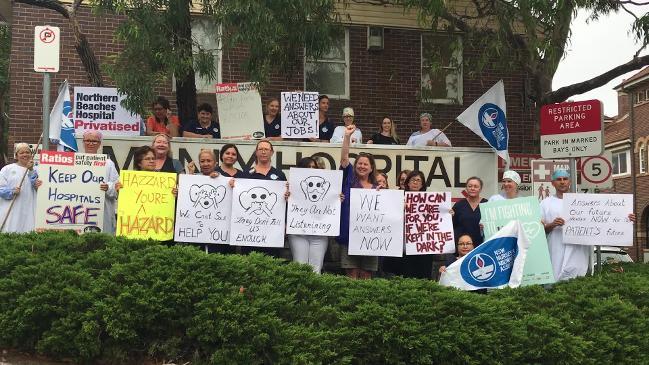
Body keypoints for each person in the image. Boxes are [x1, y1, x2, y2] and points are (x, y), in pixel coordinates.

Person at [540, 169, 635, 281]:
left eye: (565, 179)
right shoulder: (545, 203)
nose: (562, 182)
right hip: (556, 250)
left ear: (569, 181)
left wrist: (625, 218)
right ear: (552, 183)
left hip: (579, 252)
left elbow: (605, 217)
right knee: (555, 284)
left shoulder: (583, 202)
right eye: (558, 179)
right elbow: (540, 230)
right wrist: (552, 225)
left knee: (577, 282)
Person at [337, 124, 378, 279]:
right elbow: (344, 158)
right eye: (359, 163)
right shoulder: (349, 181)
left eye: (365, 164)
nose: (362, 166)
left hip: (371, 240)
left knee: (367, 275)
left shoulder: (377, 189)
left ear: (371, 168)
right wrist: (347, 136)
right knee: (351, 275)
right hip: (349, 237)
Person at [383, 170, 435, 279]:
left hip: (422, 249)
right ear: (408, 183)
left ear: (422, 184)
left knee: (422, 278)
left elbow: (437, 220)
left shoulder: (431, 201)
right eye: (412, 180)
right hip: (402, 249)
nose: (415, 182)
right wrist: (401, 208)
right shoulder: (398, 198)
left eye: (418, 180)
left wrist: (447, 214)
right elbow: (387, 217)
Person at [288, 157, 329, 273]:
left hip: (319, 232)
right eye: (308, 167)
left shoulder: (327, 187)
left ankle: (314, 291)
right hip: (298, 232)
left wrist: (337, 198)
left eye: (313, 167)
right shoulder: (291, 184)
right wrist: (286, 196)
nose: (311, 169)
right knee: (300, 266)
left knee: (316, 268)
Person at [82, 131, 121, 234]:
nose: (91, 143)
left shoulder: (108, 163)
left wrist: (108, 187)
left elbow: (117, 187)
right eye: (88, 140)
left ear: (99, 143)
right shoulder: (74, 162)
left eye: (94, 141)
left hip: (103, 214)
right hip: (80, 212)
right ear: (83, 142)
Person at [0, 143, 41, 233]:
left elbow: (40, 189)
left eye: (27, 152)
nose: (25, 155)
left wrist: (31, 170)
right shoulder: (7, 169)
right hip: (11, 211)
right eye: (21, 153)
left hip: (30, 209)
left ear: (31, 154)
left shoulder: (37, 169)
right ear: (16, 155)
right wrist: (11, 191)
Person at [452, 176, 488, 246]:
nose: (472, 188)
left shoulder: (487, 204)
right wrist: (449, 215)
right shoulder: (459, 205)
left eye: (476, 186)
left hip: (481, 245)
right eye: (470, 186)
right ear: (466, 188)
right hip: (462, 246)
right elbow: (451, 225)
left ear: (480, 189)